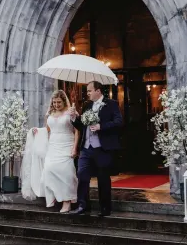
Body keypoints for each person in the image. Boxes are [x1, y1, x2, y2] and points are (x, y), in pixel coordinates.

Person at [69, 81, 123, 216]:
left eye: (89, 90)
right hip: (86, 148)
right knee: (82, 175)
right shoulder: (87, 105)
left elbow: (119, 122)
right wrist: (74, 117)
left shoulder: (111, 104)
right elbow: (81, 126)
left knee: (103, 178)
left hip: (102, 148)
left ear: (98, 91)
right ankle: (83, 205)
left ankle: (105, 208)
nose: (87, 93)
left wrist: (101, 126)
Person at [32, 90, 79, 213]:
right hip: (53, 146)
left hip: (67, 144)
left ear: (64, 101)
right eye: (54, 102)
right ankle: (53, 196)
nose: (56, 105)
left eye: (59, 102)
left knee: (67, 173)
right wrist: (38, 130)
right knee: (49, 170)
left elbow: (77, 131)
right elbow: (48, 130)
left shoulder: (71, 113)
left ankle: (67, 201)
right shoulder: (50, 113)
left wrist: (75, 147)